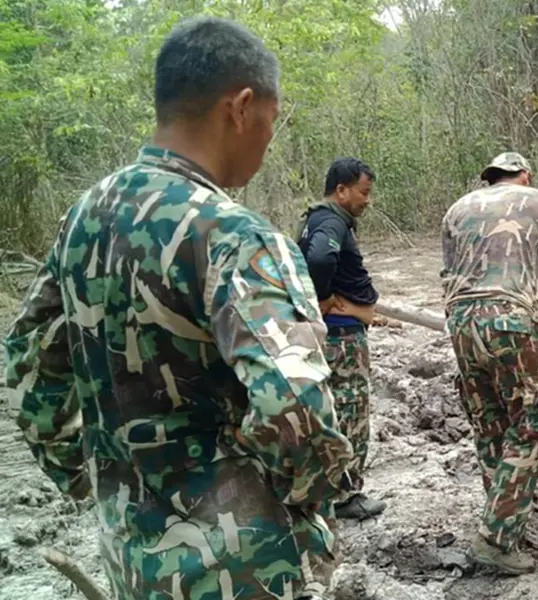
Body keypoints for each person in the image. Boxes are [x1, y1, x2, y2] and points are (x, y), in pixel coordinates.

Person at [4, 17, 352, 600]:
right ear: (241, 107)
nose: (271, 134)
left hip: (130, 552)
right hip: (243, 562)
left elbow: (29, 369)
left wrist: (92, 477)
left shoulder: (86, 216)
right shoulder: (236, 236)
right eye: (273, 115)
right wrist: (301, 503)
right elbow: (298, 407)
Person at [440, 152, 538, 574]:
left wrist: (460, 326)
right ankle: (496, 538)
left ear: (489, 178)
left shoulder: (457, 209)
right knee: (532, 427)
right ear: (525, 176)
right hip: (511, 320)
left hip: (461, 322)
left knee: (490, 427)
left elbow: (447, 278)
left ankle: (501, 521)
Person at [296, 157, 386, 520]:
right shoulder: (331, 221)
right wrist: (323, 300)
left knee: (328, 410)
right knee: (350, 410)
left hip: (335, 330)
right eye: (363, 193)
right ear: (341, 190)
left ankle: (323, 489)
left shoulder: (317, 218)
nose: (367, 200)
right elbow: (319, 259)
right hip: (341, 335)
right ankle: (346, 494)